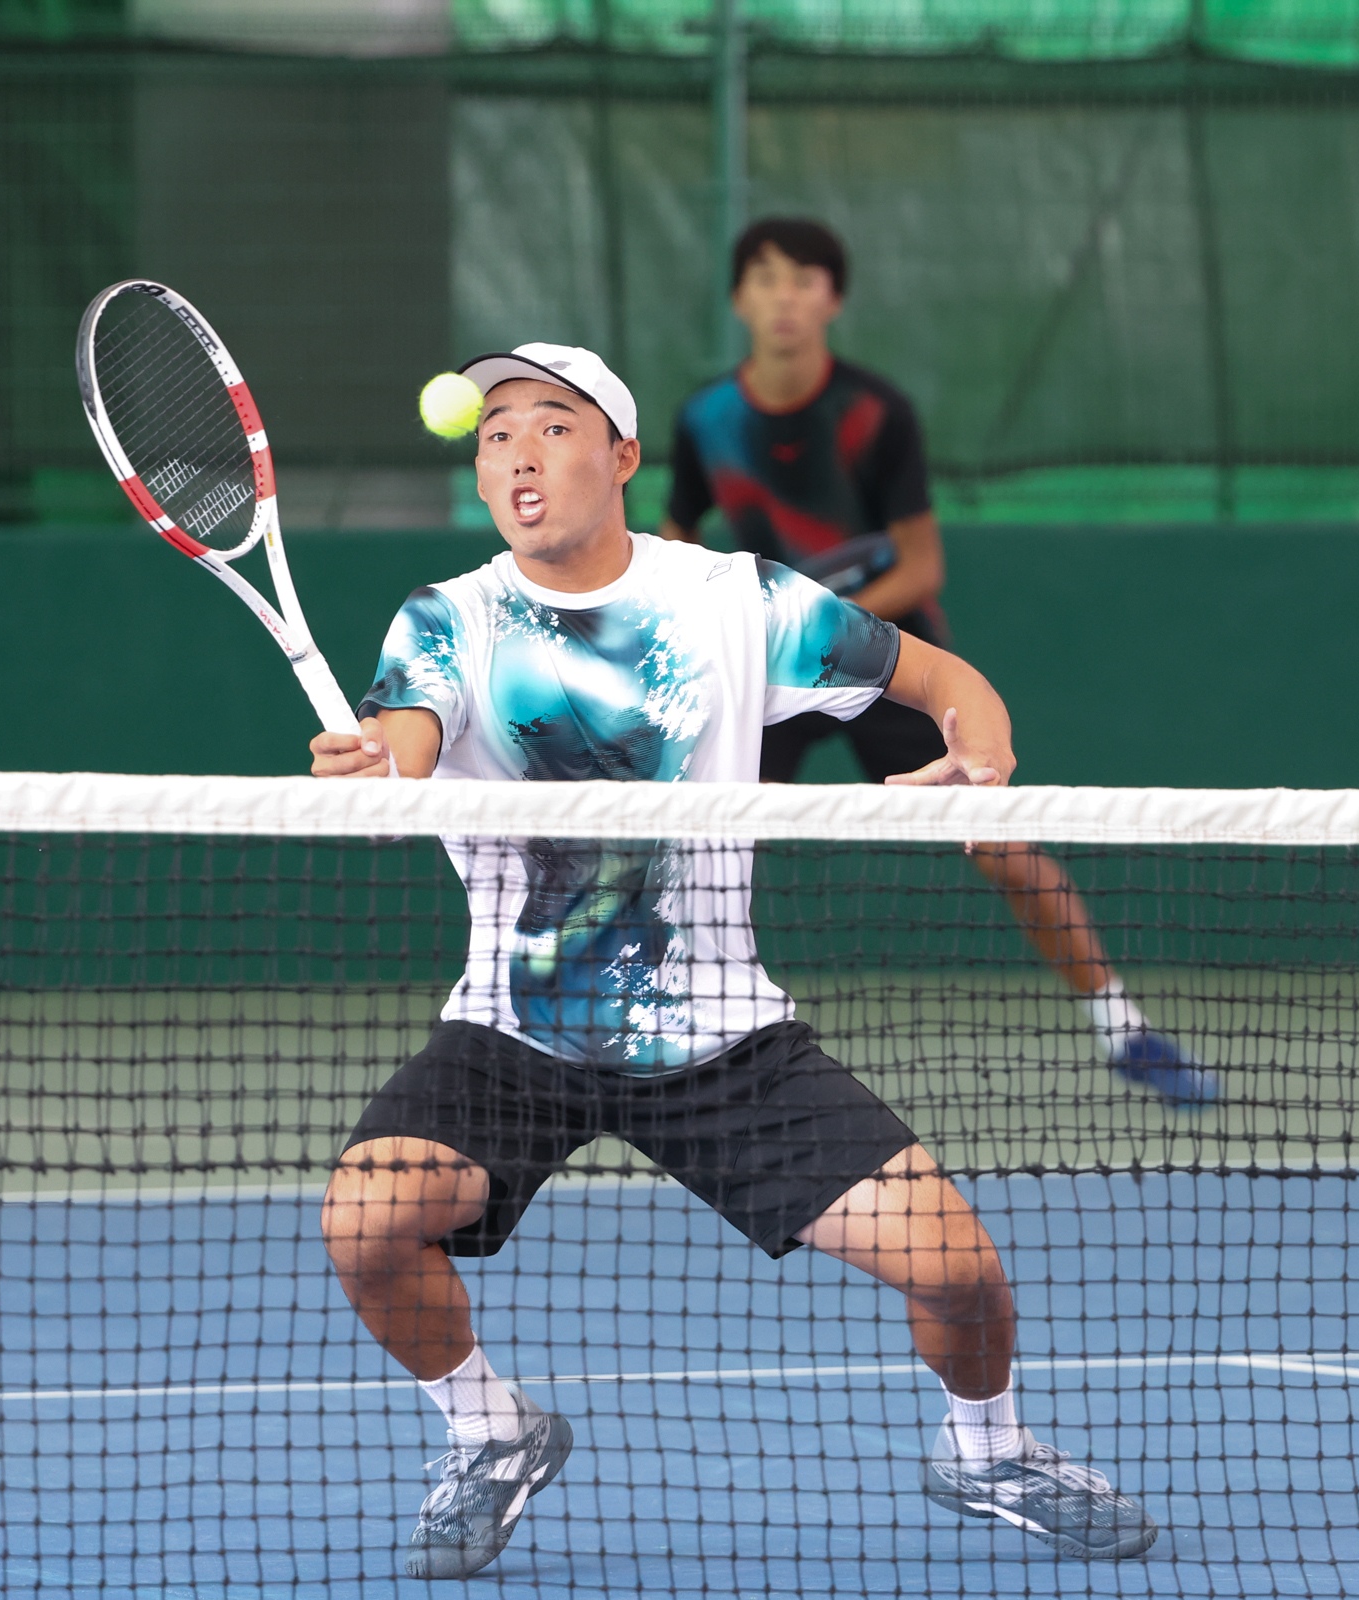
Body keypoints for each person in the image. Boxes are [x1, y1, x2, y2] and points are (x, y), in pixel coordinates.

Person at [310, 342, 1158, 1578]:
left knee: (961, 1272)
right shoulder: (446, 619)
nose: (519, 452)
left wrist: (982, 761)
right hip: (513, 1028)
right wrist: (376, 768)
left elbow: (943, 680)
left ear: (623, 457)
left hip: (721, 1033)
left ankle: (989, 1450)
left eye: (552, 424)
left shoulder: (735, 602)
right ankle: (491, 1431)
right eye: (495, 435)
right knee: (365, 1223)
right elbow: (406, 741)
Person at [659, 217, 1216, 1110]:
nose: (784, 297)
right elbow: (674, 543)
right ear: (738, 300)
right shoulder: (705, 419)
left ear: (833, 300)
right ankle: (656, 1034)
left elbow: (920, 567)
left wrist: (817, 632)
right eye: (765, 278)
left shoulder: (875, 414)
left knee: (997, 838)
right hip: (762, 663)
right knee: (689, 839)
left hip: (884, 654)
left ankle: (1123, 1028)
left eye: (803, 279)